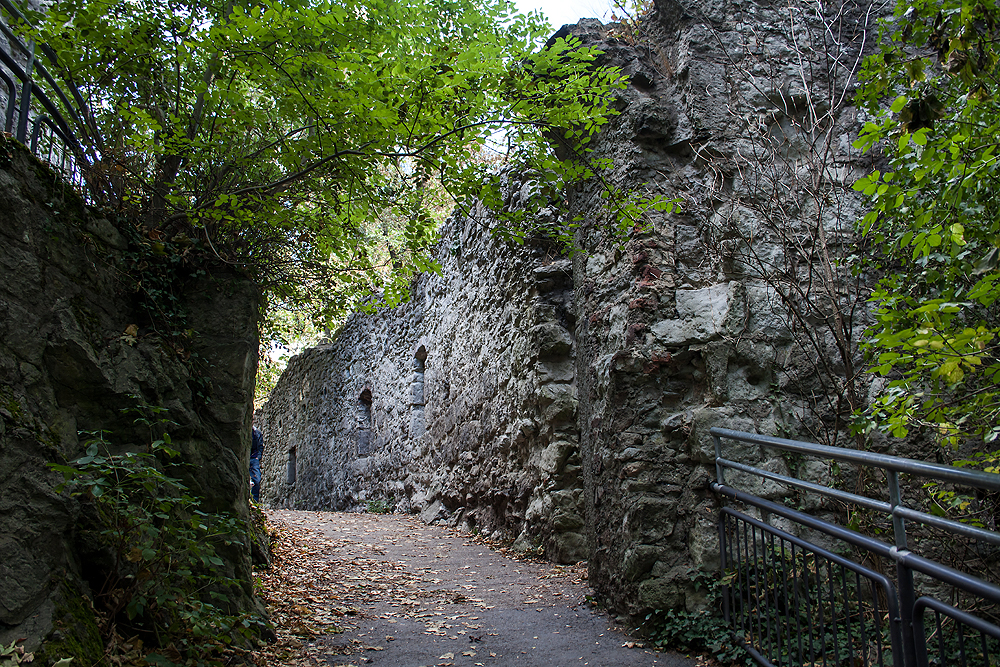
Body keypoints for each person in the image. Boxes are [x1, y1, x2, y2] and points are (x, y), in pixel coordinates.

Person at [250, 425, 264, 503]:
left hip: (253, 459)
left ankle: (254, 502)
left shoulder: (257, 432)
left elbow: (261, 446)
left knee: (257, 480)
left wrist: (257, 457)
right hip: (243, 457)